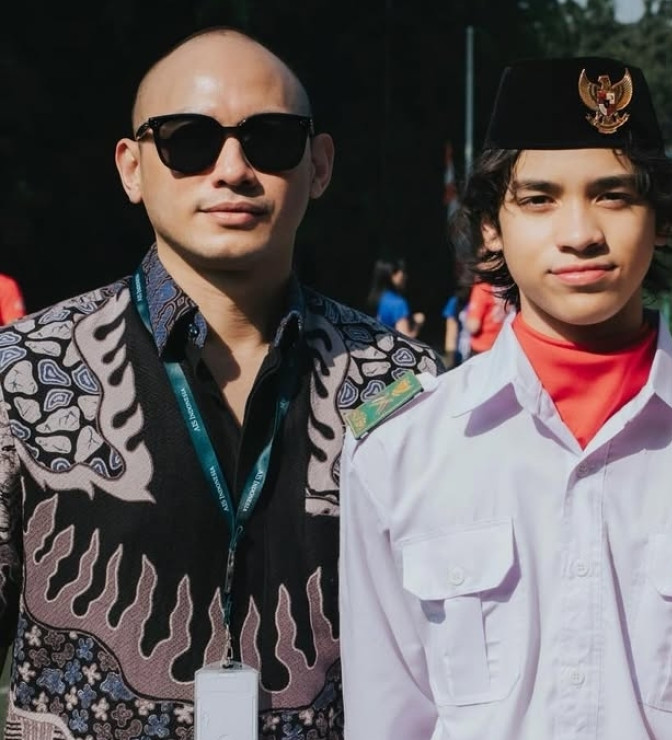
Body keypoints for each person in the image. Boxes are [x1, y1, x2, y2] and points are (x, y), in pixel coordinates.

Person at [339, 56, 672, 738]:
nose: (580, 233)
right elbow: (386, 715)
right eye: (538, 199)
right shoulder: (398, 451)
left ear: (661, 218)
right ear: (489, 227)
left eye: (613, 195)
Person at [0, 28, 439, 740]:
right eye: (189, 141)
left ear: (319, 165)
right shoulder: (20, 372)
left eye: (270, 140)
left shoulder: (406, 388)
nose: (232, 169)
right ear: (132, 167)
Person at [368, 257, 425, 338]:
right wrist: (417, 324)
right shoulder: (398, 303)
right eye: (403, 272)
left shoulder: (374, 299)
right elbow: (405, 339)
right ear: (392, 274)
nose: (406, 277)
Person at [464, 277, 510, 355]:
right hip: (503, 346)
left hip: (481, 348)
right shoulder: (509, 288)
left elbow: (473, 326)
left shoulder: (482, 288)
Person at [441, 282, 472, 369]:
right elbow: (451, 332)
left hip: (478, 353)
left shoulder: (484, 299)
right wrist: (450, 360)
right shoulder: (455, 301)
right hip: (460, 354)